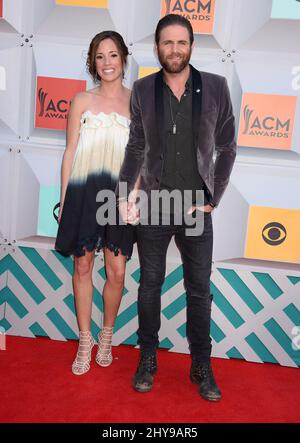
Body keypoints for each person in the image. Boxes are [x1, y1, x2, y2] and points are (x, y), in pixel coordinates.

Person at [117, 14, 236, 401]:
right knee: (150, 284)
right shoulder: (143, 89)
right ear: (157, 48)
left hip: (195, 207)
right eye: (167, 43)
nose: (174, 50)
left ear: (191, 46)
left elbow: (227, 146)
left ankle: (201, 362)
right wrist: (123, 193)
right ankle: (147, 357)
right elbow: (136, 146)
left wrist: (213, 197)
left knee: (199, 289)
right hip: (154, 203)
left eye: (181, 43)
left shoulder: (216, 87)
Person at [55, 31, 136, 375]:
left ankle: (107, 334)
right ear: (93, 62)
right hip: (83, 194)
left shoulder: (138, 103)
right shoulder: (81, 101)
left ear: (123, 59)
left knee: (117, 272)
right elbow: (70, 150)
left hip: (119, 198)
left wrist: (134, 197)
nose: (107, 62)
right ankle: (85, 338)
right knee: (83, 267)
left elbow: (142, 157)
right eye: (100, 56)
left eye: (113, 55)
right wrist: (64, 202)